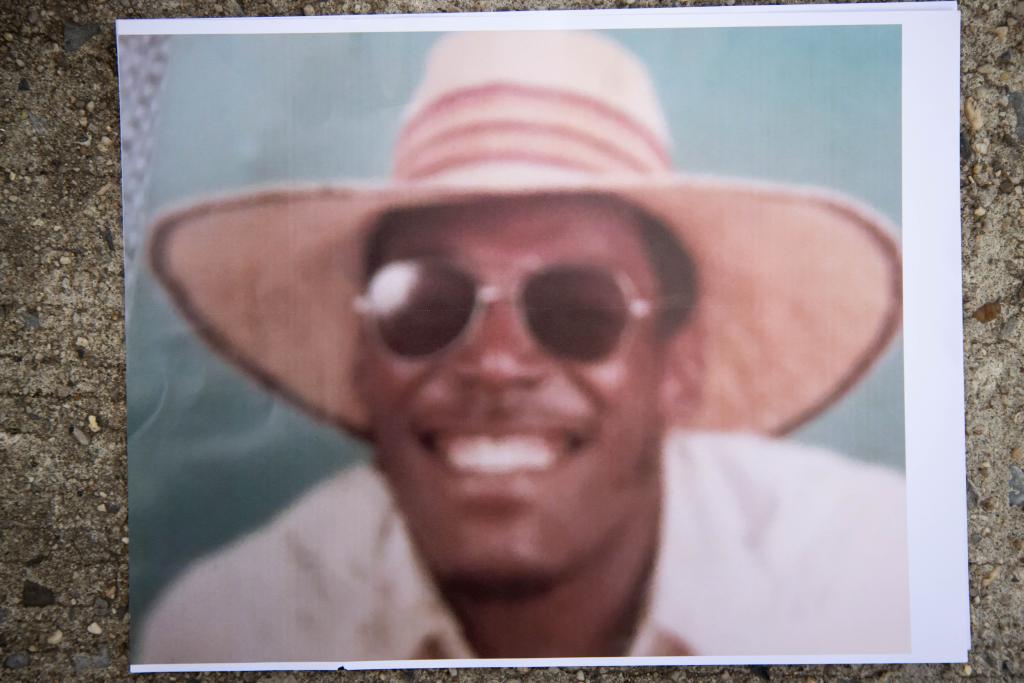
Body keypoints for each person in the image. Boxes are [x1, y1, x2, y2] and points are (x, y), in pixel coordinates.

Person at [137, 31, 908, 663]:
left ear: (679, 365)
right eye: (426, 304)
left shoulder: (873, 582)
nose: (498, 363)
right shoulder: (233, 630)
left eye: (578, 308)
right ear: (362, 362)